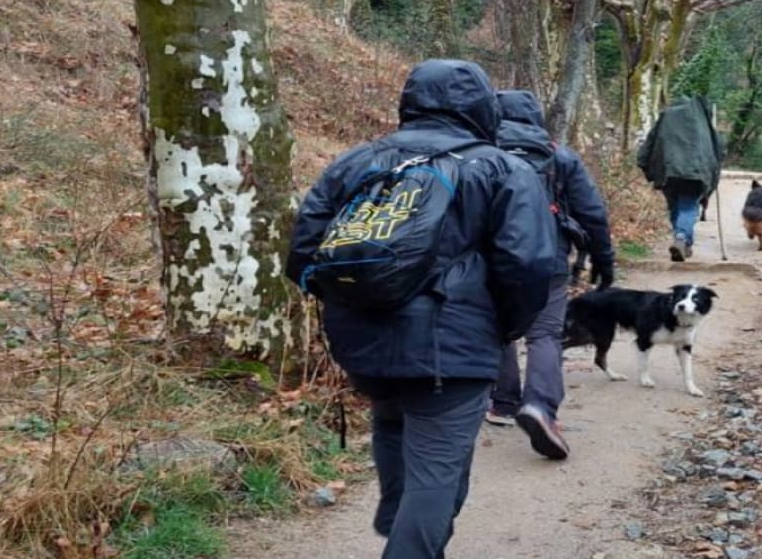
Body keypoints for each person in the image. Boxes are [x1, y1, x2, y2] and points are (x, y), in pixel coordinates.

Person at [287, 60, 556, 559]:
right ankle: (410, 542)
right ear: (480, 107)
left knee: (392, 423)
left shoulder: (355, 162)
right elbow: (529, 264)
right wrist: (505, 329)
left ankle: (399, 524)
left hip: (363, 341)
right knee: (439, 467)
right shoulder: (505, 169)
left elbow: (303, 254)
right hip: (453, 349)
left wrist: (356, 303)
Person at [486, 89, 617, 459]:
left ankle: (503, 403)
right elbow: (592, 213)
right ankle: (540, 406)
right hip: (548, 258)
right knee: (544, 333)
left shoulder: (480, 152)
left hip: (492, 259)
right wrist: (603, 262)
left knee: (499, 330)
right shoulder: (559, 155)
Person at [636, 95, 722, 262]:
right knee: (688, 207)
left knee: (674, 206)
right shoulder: (703, 122)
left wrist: (644, 164)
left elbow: (650, 141)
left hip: (668, 171)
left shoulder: (666, 116)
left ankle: (683, 242)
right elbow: (718, 149)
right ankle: (682, 238)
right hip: (696, 173)